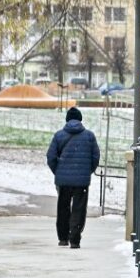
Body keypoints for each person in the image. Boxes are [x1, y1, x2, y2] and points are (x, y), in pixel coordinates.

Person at [46, 106, 100, 249]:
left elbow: (51, 157)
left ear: (67, 120)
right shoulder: (89, 136)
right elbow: (95, 157)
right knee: (79, 209)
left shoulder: (59, 136)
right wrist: (87, 171)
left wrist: (58, 171)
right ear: (80, 119)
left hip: (63, 180)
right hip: (81, 181)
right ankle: (75, 239)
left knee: (63, 208)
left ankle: (63, 238)